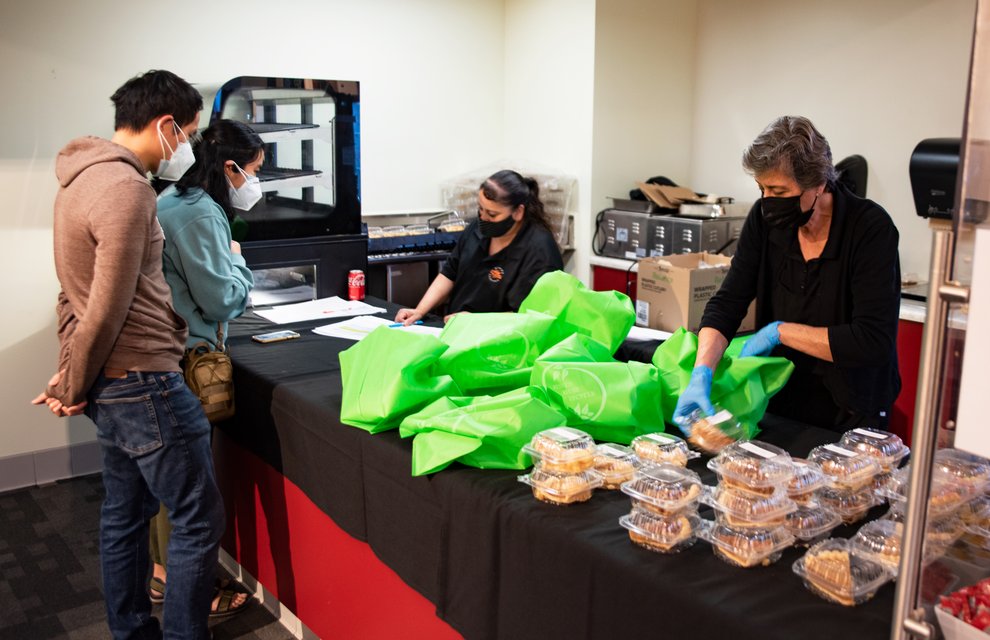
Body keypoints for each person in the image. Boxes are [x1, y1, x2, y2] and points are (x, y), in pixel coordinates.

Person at [31, 70, 224, 640]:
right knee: (197, 518)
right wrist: (71, 385)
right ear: (165, 126)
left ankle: (131, 631)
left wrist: (74, 376)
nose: (186, 147)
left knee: (125, 514)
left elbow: (74, 295)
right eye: (187, 133)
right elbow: (106, 308)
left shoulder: (77, 181)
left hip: (115, 386)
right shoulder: (125, 188)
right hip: (144, 382)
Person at [673, 115, 901, 432]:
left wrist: (779, 332)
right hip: (783, 398)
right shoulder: (763, 220)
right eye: (761, 188)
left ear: (818, 185)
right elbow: (727, 303)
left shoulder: (869, 229)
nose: (767, 201)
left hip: (852, 410)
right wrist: (702, 372)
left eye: (779, 191)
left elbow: (871, 341)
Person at [148, 119, 261, 615]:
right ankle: (188, 595)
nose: (253, 185)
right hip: (189, 360)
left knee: (166, 482)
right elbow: (221, 300)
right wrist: (238, 260)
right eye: (253, 172)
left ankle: (160, 575)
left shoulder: (170, 200)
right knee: (190, 492)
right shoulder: (198, 214)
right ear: (230, 167)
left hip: (163, 354)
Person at [395, 169, 564, 325]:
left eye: (492, 214)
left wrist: (476, 321)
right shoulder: (476, 230)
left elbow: (533, 316)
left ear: (518, 212)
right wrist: (419, 310)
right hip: (458, 331)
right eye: (480, 209)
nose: (483, 218)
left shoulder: (540, 250)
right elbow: (449, 274)